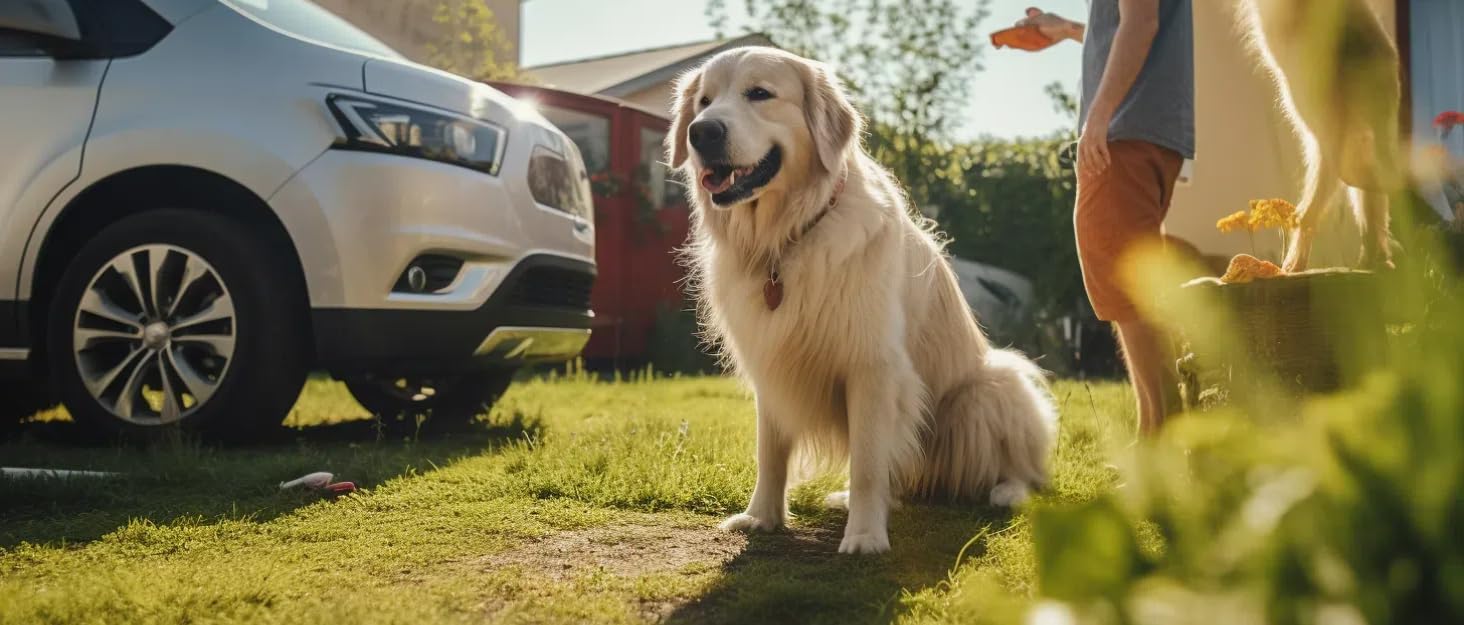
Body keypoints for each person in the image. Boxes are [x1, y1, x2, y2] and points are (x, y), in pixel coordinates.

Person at [1017, 1, 1194, 434]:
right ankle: (1155, 436)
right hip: (1146, 129)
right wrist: (1067, 29)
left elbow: (1140, 24)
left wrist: (1098, 118)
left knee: (1127, 288)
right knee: (1132, 288)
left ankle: (1167, 440)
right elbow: (1129, 25)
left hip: (1125, 131)